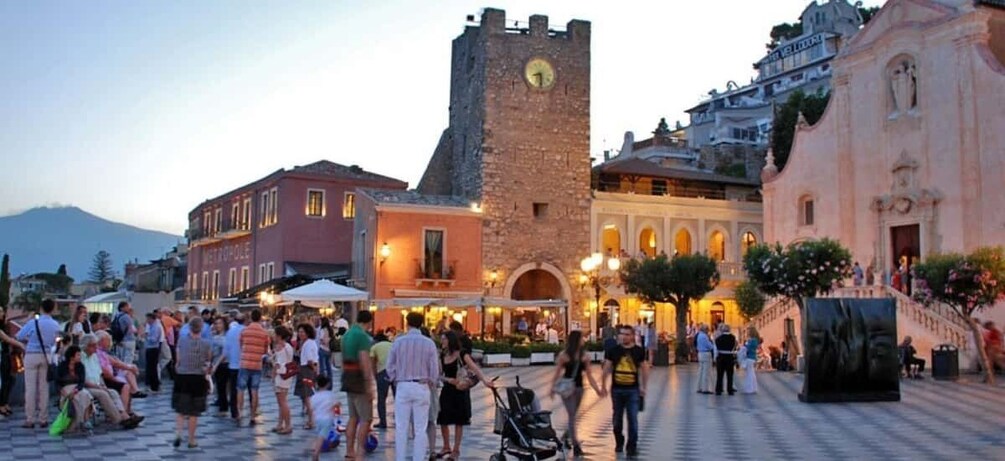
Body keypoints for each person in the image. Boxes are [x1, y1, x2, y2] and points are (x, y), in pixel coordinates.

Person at [386, 312, 440, 461]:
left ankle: (400, 458)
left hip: (403, 385)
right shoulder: (429, 343)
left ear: (406, 322)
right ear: (421, 324)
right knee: (420, 428)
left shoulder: (399, 342)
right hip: (421, 386)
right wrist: (431, 381)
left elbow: (389, 365)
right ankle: (418, 458)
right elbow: (434, 369)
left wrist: (394, 378)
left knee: (401, 426)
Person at [435, 330, 493, 460]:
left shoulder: (462, 354)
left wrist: (484, 380)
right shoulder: (442, 356)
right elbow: (438, 374)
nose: (442, 341)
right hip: (448, 390)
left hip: (460, 390)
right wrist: (449, 380)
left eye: (444, 339)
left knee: (458, 421)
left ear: (450, 340)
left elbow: (475, 368)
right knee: (443, 419)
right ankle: (446, 446)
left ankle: (456, 450)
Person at [548, 330, 603, 456]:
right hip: (568, 390)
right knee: (572, 415)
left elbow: (589, 375)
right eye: (582, 338)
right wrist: (552, 388)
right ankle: (576, 444)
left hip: (579, 389)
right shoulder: (564, 355)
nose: (583, 340)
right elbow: (557, 373)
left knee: (573, 416)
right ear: (576, 340)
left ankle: (566, 436)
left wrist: (597, 390)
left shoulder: (585, 356)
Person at [601, 325, 649, 458]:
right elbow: (607, 367)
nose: (624, 337)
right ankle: (619, 441)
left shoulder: (639, 351)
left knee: (632, 419)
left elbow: (644, 369)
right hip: (617, 390)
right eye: (622, 334)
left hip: (633, 390)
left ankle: (631, 447)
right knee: (617, 420)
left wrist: (643, 387)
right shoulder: (613, 350)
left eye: (627, 334)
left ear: (632, 336)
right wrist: (603, 385)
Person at [80, 334, 143, 428]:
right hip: (87, 386)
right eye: (94, 346)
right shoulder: (81, 358)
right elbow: (82, 379)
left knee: (113, 392)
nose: (96, 348)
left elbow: (99, 374)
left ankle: (124, 416)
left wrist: (102, 385)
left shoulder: (94, 357)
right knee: (103, 394)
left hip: (98, 384)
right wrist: (99, 386)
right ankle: (120, 420)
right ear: (87, 346)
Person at [15, 298, 61, 428]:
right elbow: (55, 342)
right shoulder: (55, 324)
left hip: (31, 355)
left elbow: (19, 336)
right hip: (46, 356)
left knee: (30, 388)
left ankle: (30, 419)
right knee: (43, 388)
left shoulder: (33, 322)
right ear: (52, 309)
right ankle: (43, 419)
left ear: (41, 308)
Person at [172, 317, 213, 449]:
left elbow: (177, 360)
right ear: (201, 328)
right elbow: (208, 361)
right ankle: (191, 440)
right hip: (198, 378)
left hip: (182, 377)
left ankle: (178, 434)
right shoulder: (206, 344)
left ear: (189, 327)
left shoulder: (182, 341)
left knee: (181, 410)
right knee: (194, 412)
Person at [341, 310, 376, 459]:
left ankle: (349, 450)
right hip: (359, 378)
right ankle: (360, 451)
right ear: (369, 322)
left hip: (347, 376)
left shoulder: (347, 334)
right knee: (366, 418)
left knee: (353, 417)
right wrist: (369, 385)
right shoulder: (362, 337)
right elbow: (364, 361)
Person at [237, 309, 270, 426]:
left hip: (245, 363)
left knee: (240, 389)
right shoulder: (264, 333)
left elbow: (241, 345)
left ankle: (240, 413)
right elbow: (266, 350)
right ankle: (252, 416)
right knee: (254, 390)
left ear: (251, 317)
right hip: (257, 364)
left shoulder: (244, 331)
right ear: (260, 318)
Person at [56, 345, 95, 433]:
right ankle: (83, 420)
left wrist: (76, 389)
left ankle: (84, 420)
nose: (80, 357)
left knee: (85, 395)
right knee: (78, 397)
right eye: (78, 355)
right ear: (71, 356)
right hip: (65, 388)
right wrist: (61, 391)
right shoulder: (62, 366)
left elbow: (82, 381)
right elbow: (57, 382)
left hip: (77, 388)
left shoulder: (80, 366)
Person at [0, 306, 25, 417]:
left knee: (9, 380)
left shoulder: (5, 326)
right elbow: (7, 339)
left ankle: (5, 402)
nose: (2, 313)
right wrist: (20, 345)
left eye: (2, 311)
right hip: (1, 357)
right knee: (4, 381)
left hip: (6, 356)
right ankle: (1, 404)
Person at [295, 322, 320, 430]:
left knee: (307, 396)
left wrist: (314, 370)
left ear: (307, 333)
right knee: (306, 396)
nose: (300, 334)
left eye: (302, 332)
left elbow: (310, 360)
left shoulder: (308, 343)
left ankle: (311, 421)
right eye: (299, 332)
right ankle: (311, 420)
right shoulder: (307, 343)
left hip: (306, 369)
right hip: (306, 369)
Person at [271, 326, 295, 435]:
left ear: (279, 336)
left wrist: (273, 374)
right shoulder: (288, 347)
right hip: (287, 376)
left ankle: (288, 424)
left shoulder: (281, 347)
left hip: (281, 376)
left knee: (282, 402)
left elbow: (278, 364)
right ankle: (280, 424)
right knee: (282, 401)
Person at [308, 375, 337, 461]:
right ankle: (316, 453)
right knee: (322, 436)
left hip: (317, 419)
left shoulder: (314, 396)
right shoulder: (330, 395)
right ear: (327, 384)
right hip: (327, 419)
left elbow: (311, 408)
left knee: (319, 435)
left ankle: (316, 448)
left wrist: (311, 420)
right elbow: (336, 404)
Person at [223, 311, 245, 423]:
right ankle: (243, 411)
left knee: (233, 389)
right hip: (243, 363)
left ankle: (234, 411)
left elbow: (225, 350)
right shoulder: (245, 331)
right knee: (242, 389)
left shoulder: (230, 332)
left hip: (232, 364)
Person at [371, 333, 394, 429]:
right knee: (398, 398)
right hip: (394, 372)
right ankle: (401, 420)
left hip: (382, 372)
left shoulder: (375, 347)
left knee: (381, 399)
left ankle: (383, 422)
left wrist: (375, 375)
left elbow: (372, 363)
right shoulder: (393, 345)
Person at [209, 317, 229, 417]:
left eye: (220, 323)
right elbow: (212, 352)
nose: (217, 326)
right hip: (216, 363)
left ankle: (223, 408)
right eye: (216, 324)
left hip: (222, 364)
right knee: (220, 386)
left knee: (222, 387)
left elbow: (224, 353)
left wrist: (216, 365)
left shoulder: (225, 337)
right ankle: (223, 406)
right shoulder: (215, 336)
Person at [714, 324, 738, 396]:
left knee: (720, 375)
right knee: (730, 374)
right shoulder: (733, 338)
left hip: (721, 357)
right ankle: (730, 390)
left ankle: (718, 389)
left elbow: (716, 348)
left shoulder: (718, 338)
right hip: (729, 356)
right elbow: (735, 346)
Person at [112, 301, 137, 366]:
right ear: (122, 308)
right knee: (128, 358)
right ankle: (126, 372)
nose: (128, 308)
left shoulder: (116, 316)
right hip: (129, 339)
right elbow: (132, 329)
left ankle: (120, 372)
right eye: (127, 306)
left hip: (120, 340)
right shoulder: (126, 316)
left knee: (120, 358)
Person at [143, 313, 163, 393]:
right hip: (149, 348)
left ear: (152, 319)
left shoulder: (156, 327)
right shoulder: (151, 327)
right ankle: (152, 385)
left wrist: (146, 337)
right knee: (150, 368)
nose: (147, 321)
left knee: (153, 368)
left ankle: (155, 386)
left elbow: (154, 339)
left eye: (148, 319)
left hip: (153, 348)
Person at [739, 326, 761, 394]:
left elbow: (747, 348)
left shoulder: (751, 340)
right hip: (753, 357)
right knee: (752, 373)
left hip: (749, 357)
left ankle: (749, 388)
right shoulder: (756, 340)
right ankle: (753, 388)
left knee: (749, 374)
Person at [695, 324, 714, 394]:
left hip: (700, 353)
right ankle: (705, 388)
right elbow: (709, 346)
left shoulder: (699, 335)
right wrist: (712, 345)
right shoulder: (705, 336)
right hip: (706, 353)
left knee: (700, 371)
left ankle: (699, 387)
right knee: (706, 371)